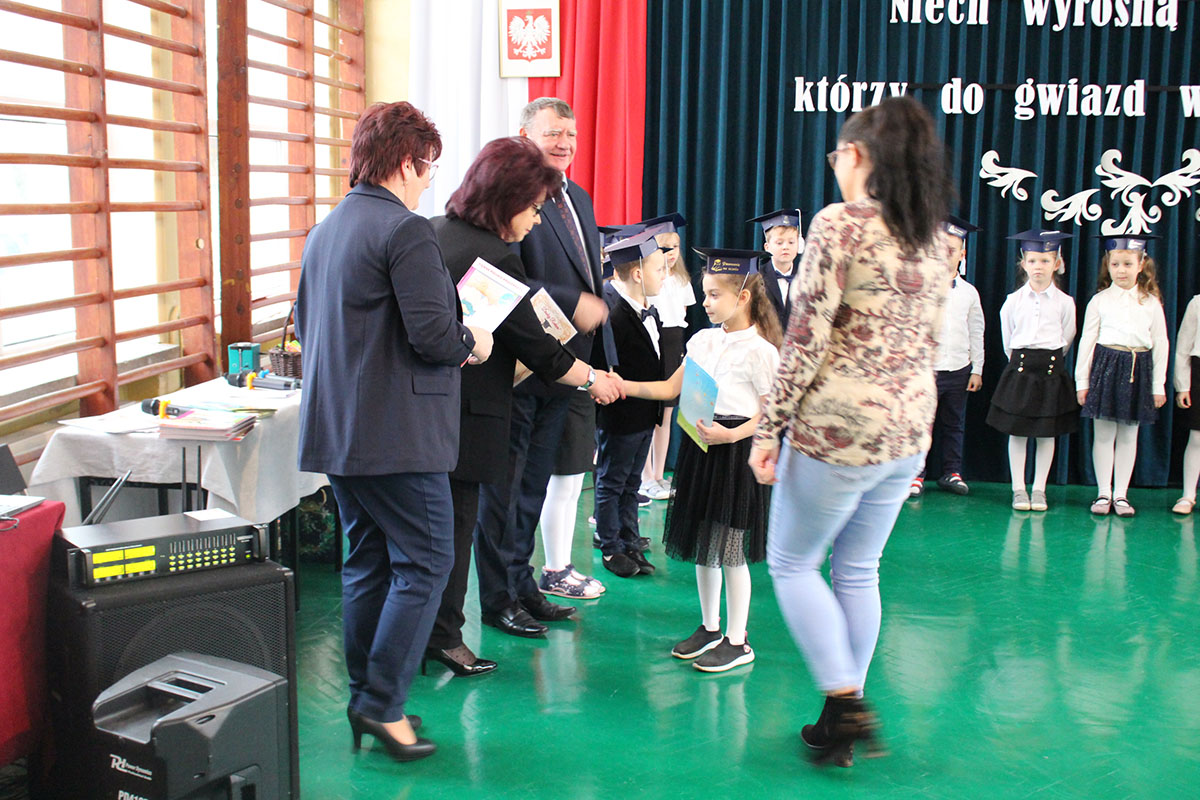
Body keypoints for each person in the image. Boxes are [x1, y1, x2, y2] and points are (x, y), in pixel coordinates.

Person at [748, 96, 953, 767]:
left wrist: (767, 430)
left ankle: (843, 701)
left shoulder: (840, 224)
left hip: (839, 431)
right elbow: (930, 342)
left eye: (837, 154)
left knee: (792, 563)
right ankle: (842, 718)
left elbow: (804, 341)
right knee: (859, 569)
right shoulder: (934, 236)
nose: (834, 165)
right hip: (907, 432)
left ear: (857, 155)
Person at [295, 101, 494, 762]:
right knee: (428, 560)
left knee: (368, 563)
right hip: (399, 437)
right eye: (428, 168)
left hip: (339, 431)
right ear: (407, 163)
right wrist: (474, 341)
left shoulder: (325, 231)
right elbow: (434, 335)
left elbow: (309, 326)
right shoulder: (405, 230)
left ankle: (367, 697)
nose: (429, 182)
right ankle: (382, 705)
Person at [426, 137, 622, 676]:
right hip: (469, 416)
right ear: (507, 199)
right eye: (533, 208)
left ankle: (466, 615)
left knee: (442, 532)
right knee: (460, 529)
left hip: (437, 411)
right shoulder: (492, 256)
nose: (537, 220)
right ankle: (446, 637)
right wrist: (594, 380)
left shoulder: (439, 232)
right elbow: (537, 346)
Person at [473, 97, 610, 638]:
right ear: (524, 134)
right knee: (504, 496)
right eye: (553, 133)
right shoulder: (512, 198)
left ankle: (523, 585)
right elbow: (505, 279)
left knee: (533, 489)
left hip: (565, 368)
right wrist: (572, 303)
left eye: (571, 135)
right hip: (521, 369)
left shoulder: (579, 197)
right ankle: (498, 599)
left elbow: (590, 277)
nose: (564, 144)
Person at [624, 248, 781, 671]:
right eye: (705, 293)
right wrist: (621, 384)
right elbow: (669, 388)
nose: (706, 303)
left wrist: (732, 434)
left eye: (714, 295)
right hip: (701, 449)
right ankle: (710, 627)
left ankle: (738, 639)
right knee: (703, 545)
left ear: (742, 298)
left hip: (735, 452)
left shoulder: (761, 351)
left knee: (730, 549)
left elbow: (773, 413)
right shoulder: (702, 341)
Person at [1075, 234, 1168, 517]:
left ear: (1141, 265)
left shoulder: (1150, 302)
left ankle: (1121, 495)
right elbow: (1087, 341)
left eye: (1128, 264)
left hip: (1138, 368)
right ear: (1108, 265)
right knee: (1104, 434)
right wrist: (1082, 381)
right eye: (1115, 264)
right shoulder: (1099, 301)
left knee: (1129, 435)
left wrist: (1158, 384)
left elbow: (1161, 342)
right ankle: (1103, 493)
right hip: (1106, 366)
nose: (1121, 270)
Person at [986, 230, 1079, 512]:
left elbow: (1067, 336)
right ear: (1024, 264)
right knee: (1018, 432)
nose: (1039, 266)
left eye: (1045, 261)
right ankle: (1018, 489)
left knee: (1046, 433)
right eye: (1033, 261)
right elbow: (1008, 338)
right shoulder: (1013, 301)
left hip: (1051, 372)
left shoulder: (1065, 302)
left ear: (1056, 263)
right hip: (1021, 369)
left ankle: (1039, 489)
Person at [593, 231, 668, 578]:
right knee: (612, 481)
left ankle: (629, 539)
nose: (665, 275)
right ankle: (610, 546)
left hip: (643, 415)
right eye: (659, 269)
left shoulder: (648, 310)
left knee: (630, 483)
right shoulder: (613, 315)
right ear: (638, 274)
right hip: (620, 416)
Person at [910, 216, 985, 498]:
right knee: (921, 425)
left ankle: (952, 472)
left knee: (954, 425)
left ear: (962, 254)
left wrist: (977, 368)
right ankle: (915, 474)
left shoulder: (969, 293)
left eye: (952, 249)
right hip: (927, 371)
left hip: (959, 370)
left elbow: (976, 331)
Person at [639, 213, 694, 502]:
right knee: (649, 413)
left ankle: (659, 474)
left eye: (676, 247)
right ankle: (645, 476)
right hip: (654, 343)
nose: (671, 253)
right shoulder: (649, 280)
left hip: (674, 346)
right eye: (665, 247)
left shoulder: (682, 280)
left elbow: (682, 316)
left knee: (667, 415)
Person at [747, 208, 803, 327]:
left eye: (791, 242)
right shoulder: (756, 277)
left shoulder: (806, 277)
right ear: (767, 247)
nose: (785, 247)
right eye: (779, 243)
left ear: (799, 244)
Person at [1173, 289, 1200, 514]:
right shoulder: (1197, 304)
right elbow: (1183, 348)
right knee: (1197, 437)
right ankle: (1188, 495)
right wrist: (1182, 385)